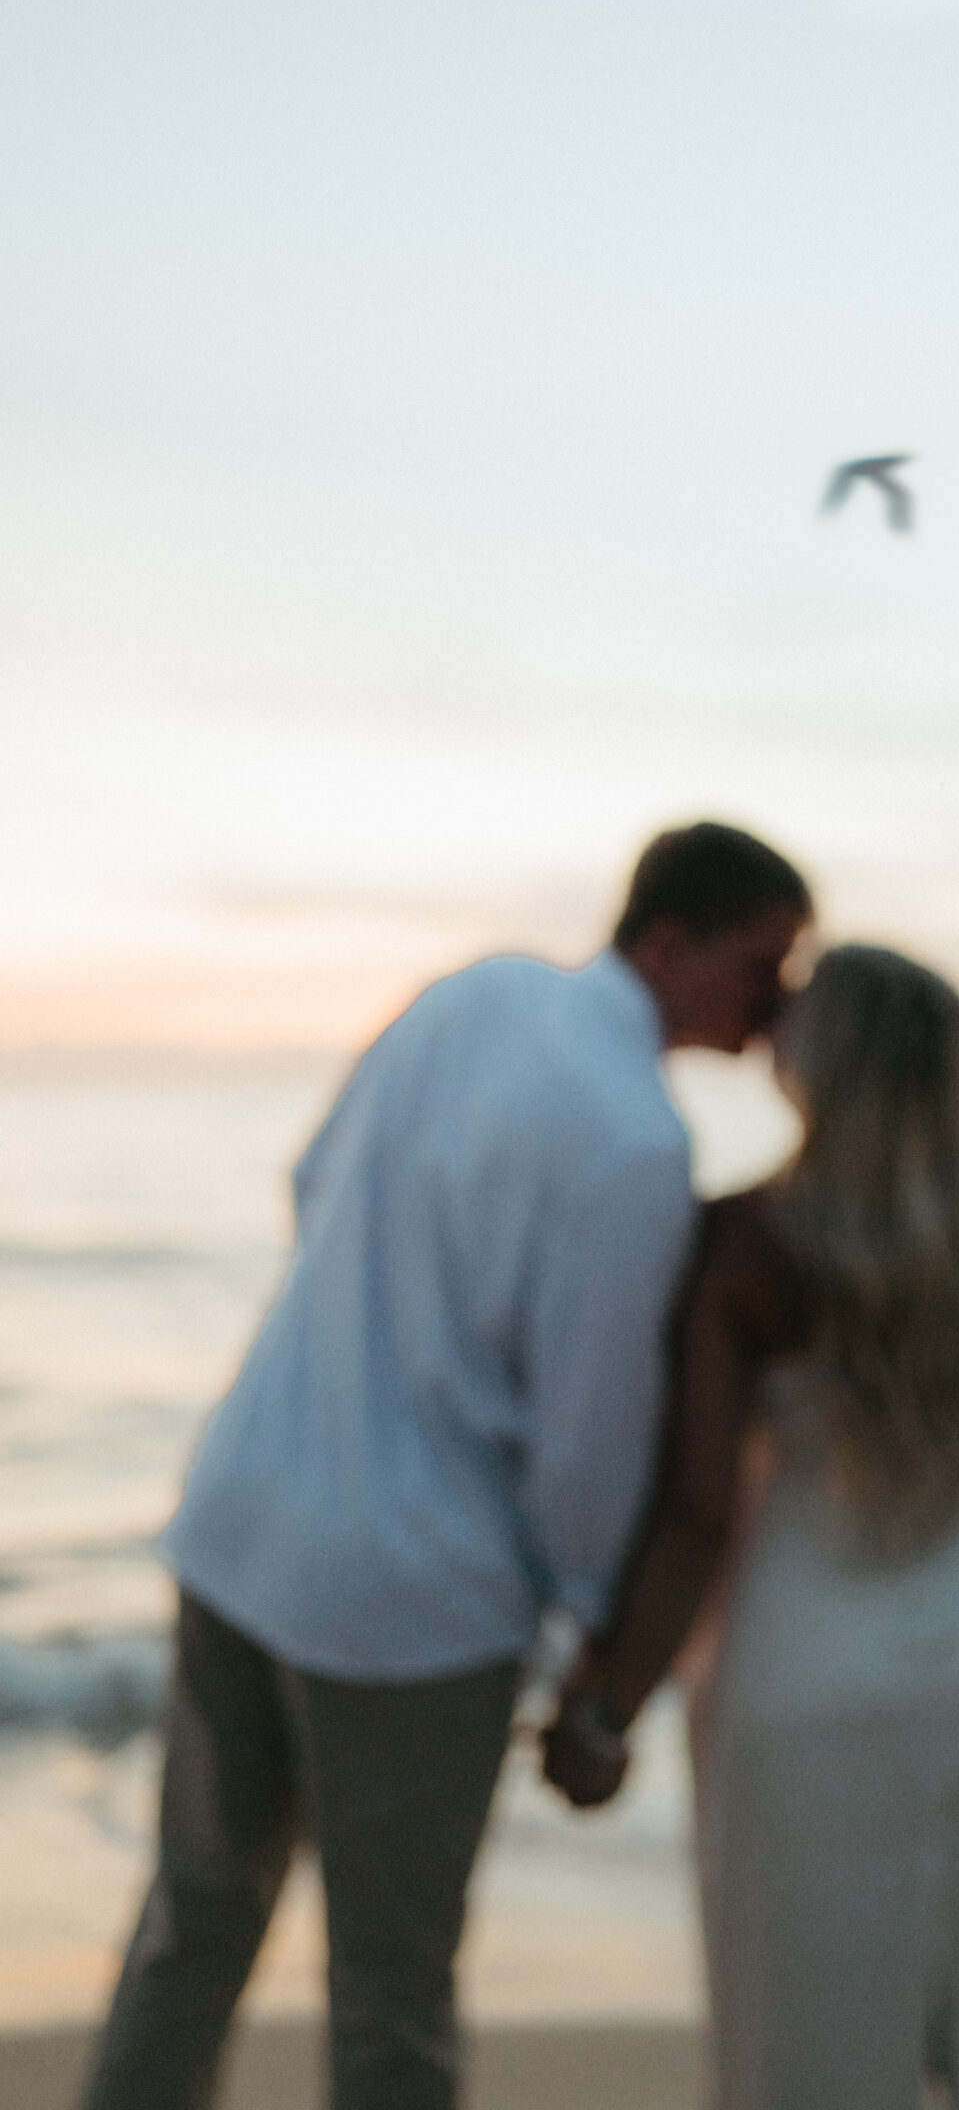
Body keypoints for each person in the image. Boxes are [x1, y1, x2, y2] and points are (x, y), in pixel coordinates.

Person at [83, 821, 812, 2110]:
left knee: (192, 1924)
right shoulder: (635, 1142)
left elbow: (312, 1185)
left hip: (243, 1511)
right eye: (763, 964)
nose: (777, 1002)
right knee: (393, 1994)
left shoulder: (471, 991)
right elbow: (587, 1434)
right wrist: (594, 1624)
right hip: (407, 1603)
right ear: (668, 942)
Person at [544, 943, 959, 2110]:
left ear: (816, 1069)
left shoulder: (748, 1237)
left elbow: (701, 1506)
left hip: (810, 1651)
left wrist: (607, 1703)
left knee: (807, 2045)